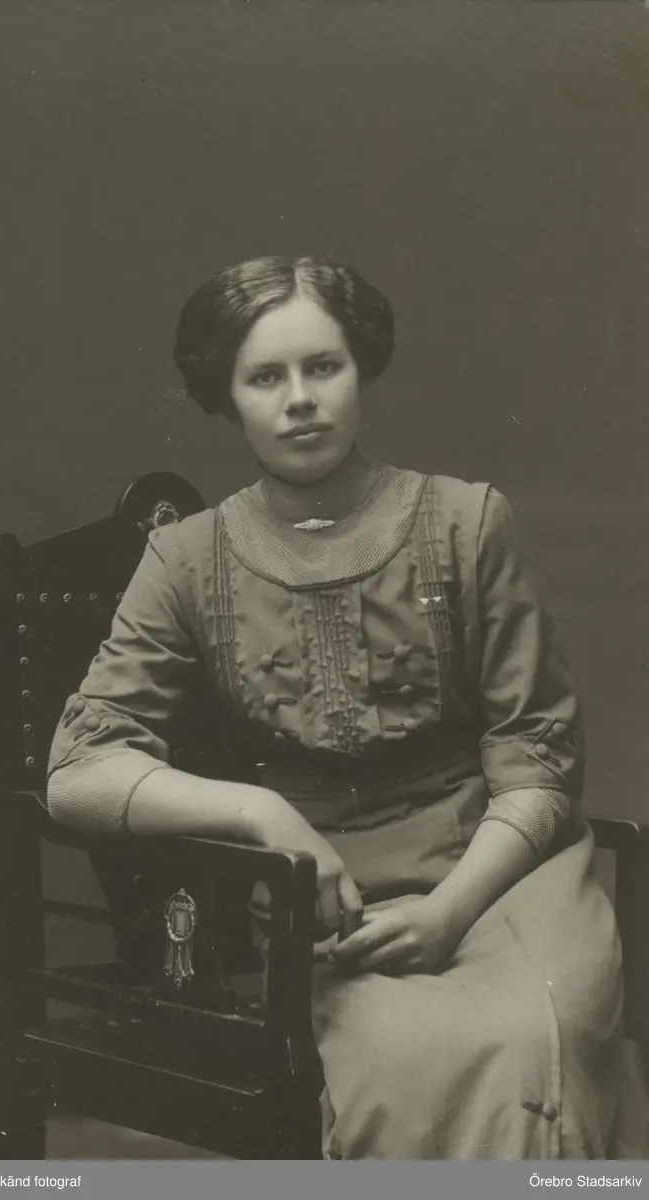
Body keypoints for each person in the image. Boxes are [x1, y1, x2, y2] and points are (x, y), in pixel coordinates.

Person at [47, 255, 646, 1159]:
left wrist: (449, 912)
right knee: (415, 1059)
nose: (300, 400)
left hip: (503, 871)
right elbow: (77, 771)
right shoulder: (186, 558)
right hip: (329, 896)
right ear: (225, 395)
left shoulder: (468, 522)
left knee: (538, 1040)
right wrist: (261, 812)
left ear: (360, 369)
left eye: (322, 366)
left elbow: (540, 760)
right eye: (265, 377)